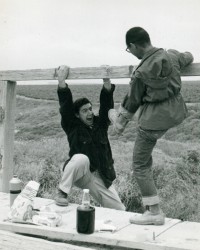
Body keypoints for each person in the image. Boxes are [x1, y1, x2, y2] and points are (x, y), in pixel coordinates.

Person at [109, 27, 194, 224]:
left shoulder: (140, 73)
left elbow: (133, 101)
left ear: (133, 45)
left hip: (153, 120)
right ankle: (116, 118)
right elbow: (187, 56)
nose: (132, 54)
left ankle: (154, 212)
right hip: (176, 112)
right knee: (144, 159)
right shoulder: (171, 56)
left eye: (130, 50)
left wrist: (120, 123)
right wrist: (186, 56)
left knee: (140, 164)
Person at [55, 65, 125, 211]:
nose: (90, 113)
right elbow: (65, 106)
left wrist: (106, 81)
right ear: (76, 115)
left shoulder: (100, 125)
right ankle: (62, 192)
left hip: (101, 177)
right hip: (82, 172)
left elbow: (106, 106)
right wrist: (61, 81)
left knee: (120, 210)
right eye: (84, 111)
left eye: (90, 109)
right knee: (81, 158)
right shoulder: (72, 126)